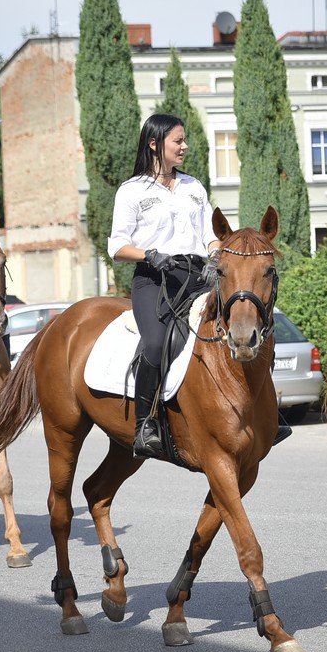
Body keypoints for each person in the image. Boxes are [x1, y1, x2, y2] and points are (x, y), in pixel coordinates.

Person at [108, 114, 220, 459]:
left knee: (241, 324)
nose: (185, 146)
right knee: (155, 344)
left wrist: (215, 257)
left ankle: (264, 413)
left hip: (197, 277)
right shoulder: (131, 191)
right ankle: (146, 424)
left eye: (184, 140)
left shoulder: (194, 187)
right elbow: (117, 246)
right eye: (178, 141)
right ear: (155, 144)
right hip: (154, 279)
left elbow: (210, 236)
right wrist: (150, 255)